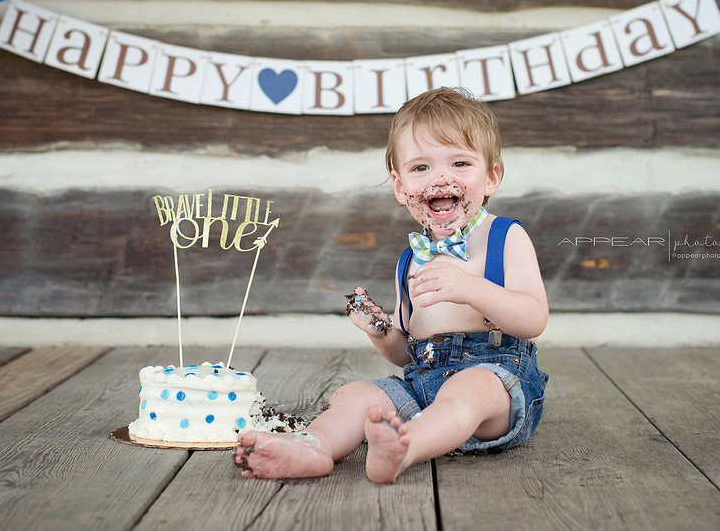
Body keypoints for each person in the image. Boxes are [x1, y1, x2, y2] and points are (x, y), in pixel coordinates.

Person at [234, 87, 549, 483]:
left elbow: (533, 318)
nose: (441, 177)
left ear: (491, 177)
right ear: (401, 189)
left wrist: (470, 288)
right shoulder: (410, 260)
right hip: (423, 389)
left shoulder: (505, 237)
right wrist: (381, 333)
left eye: (460, 163)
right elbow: (407, 353)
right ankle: (313, 446)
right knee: (356, 395)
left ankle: (406, 448)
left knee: (470, 387)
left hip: (499, 390)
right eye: (421, 168)